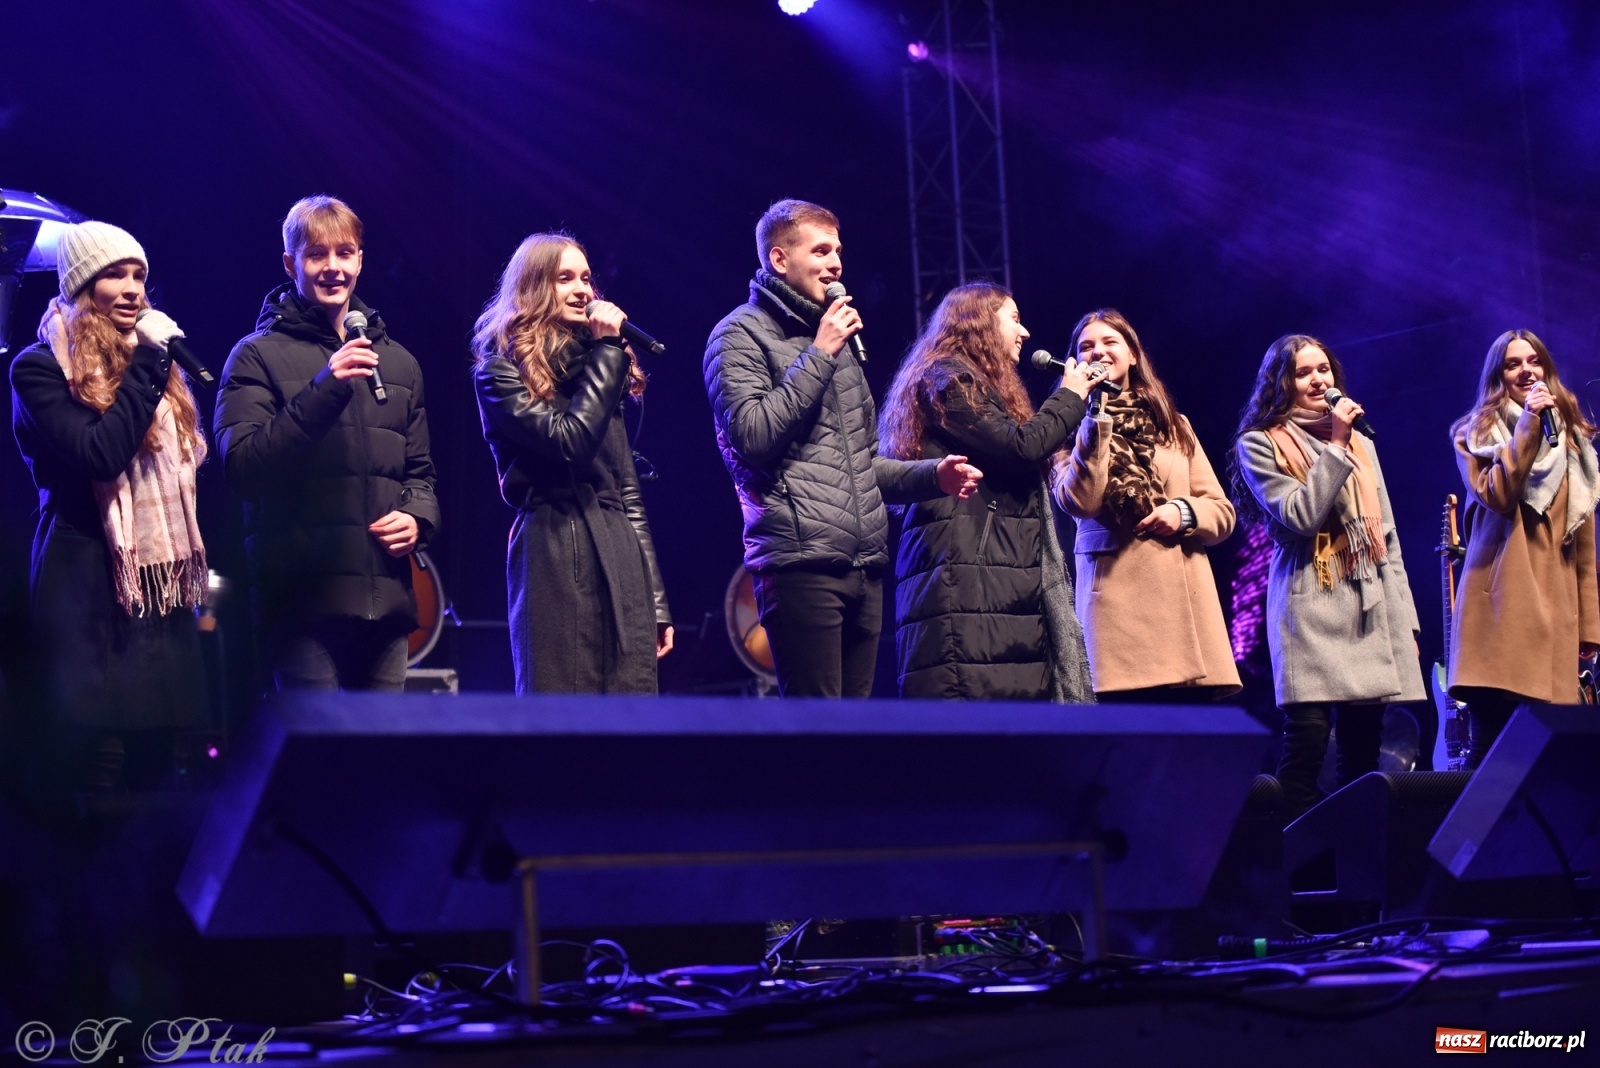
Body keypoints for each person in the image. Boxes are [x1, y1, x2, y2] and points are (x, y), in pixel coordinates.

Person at [704, 199, 981, 698]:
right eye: (821, 251)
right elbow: (754, 437)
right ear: (779, 259)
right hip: (799, 564)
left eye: (838, 251)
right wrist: (819, 353)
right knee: (817, 730)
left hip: (864, 566)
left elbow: (862, 464)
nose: (835, 264)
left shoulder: (836, 343)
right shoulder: (738, 335)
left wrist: (932, 475)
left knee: (857, 731)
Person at [9, 221, 209, 789]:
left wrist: (149, 366)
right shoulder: (39, 368)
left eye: (139, 276)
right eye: (114, 275)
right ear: (81, 285)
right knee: (97, 769)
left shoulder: (153, 367)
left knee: (156, 773)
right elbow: (101, 453)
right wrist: (148, 364)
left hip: (154, 591)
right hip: (85, 588)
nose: (132, 289)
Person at [215, 196, 438, 692]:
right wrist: (326, 387)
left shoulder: (399, 363)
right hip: (302, 609)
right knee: (318, 745)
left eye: (344, 253)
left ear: (360, 260)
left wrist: (418, 518)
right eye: (316, 254)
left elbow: (420, 473)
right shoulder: (255, 357)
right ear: (290, 264)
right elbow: (243, 468)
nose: (332, 267)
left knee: (381, 746)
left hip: (386, 606)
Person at [1232, 334, 1424, 819]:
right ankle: (1294, 859)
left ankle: (1357, 861)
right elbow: (1301, 516)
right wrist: (1336, 446)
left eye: (1324, 370)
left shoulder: (1362, 442)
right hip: (1310, 605)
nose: (1318, 380)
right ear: (1282, 383)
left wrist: (1407, 621)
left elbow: (1388, 537)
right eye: (1303, 372)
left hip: (1368, 605)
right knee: (1306, 750)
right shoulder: (1260, 443)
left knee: (1363, 757)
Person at [472, 233, 672, 693]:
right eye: (565, 278)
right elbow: (570, 441)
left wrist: (656, 600)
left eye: (586, 278)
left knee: (629, 711)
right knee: (561, 707)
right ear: (533, 287)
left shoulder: (600, 369)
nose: (583, 289)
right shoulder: (500, 372)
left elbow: (626, 491)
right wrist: (608, 354)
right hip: (553, 549)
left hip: (620, 555)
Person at [878, 282, 1093, 700]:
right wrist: (1070, 395)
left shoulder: (970, 382)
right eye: (1014, 319)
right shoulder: (948, 379)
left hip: (993, 581)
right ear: (979, 323)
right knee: (974, 715)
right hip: (966, 583)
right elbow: (1022, 446)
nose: (1025, 331)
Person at [1052, 310, 1241, 703]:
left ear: (1133, 355)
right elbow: (1081, 502)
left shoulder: (1173, 424)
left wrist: (1183, 513)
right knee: (1130, 733)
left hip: (1183, 610)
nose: (1098, 352)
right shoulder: (1061, 431)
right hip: (1116, 613)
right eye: (1086, 347)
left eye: (1110, 342)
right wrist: (1094, 419)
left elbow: (1222, 512)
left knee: (1187, 734)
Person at [1447, 330, 1599, 764]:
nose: (1526, 371)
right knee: (1491, 750)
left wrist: (1590, 626)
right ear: (1498, 377)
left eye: (1534, 362)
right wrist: (1529, 426)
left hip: (1555, 608)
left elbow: (1584, 540)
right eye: (1513, 364)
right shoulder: (1475, 435)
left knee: (1546, 758)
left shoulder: (1572, 441)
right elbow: (1498, 494)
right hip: (1500, 607)